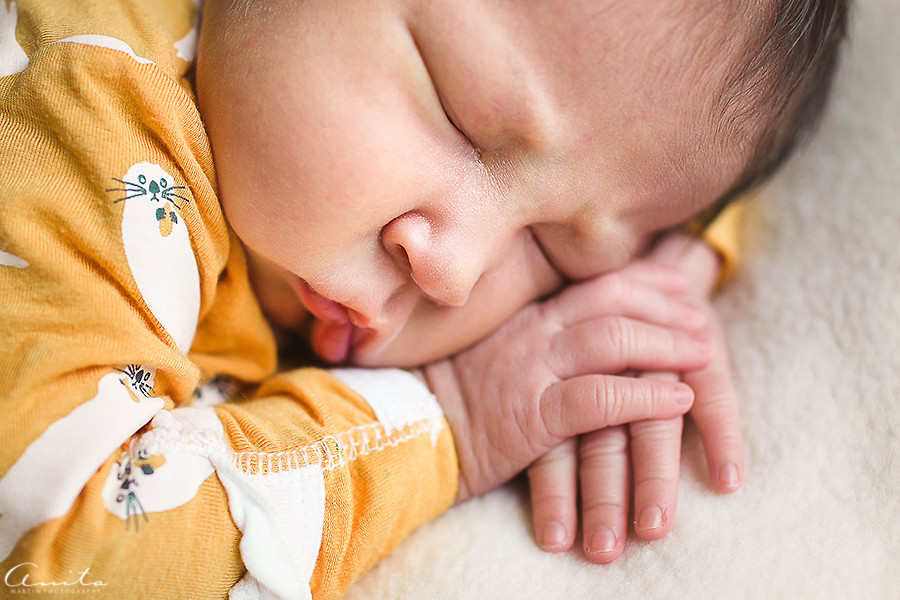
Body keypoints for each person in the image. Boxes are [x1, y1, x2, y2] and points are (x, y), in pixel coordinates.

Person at [0, 1, 846, 599]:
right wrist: (448, 418)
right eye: (464, 115)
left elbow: (656, 116)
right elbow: (64, 562)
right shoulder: (87, 114)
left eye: (553, 250)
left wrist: (660, 279)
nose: (458, 274)